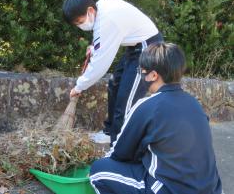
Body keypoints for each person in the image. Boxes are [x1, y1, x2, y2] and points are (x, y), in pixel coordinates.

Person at [89, 43, 222, 194]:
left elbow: (120, 154)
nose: (141, 76)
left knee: (99, 170)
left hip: (170, 190)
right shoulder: (194, 103)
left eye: (142, 72)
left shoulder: (147, 106)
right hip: (212, 189)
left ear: (153, 75)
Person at [62, 0, 164, 144]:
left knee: (127, 100)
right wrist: (94, 48)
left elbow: (100, 65)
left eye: (80, 21)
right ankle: (110, 132)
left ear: (90, 10)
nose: (80, 26)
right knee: (114, 84)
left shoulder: (107, 20)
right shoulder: (101, 7)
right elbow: (101, 41)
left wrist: (79, 86)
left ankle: (119, 147)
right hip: (135, 47)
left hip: (148, 49)